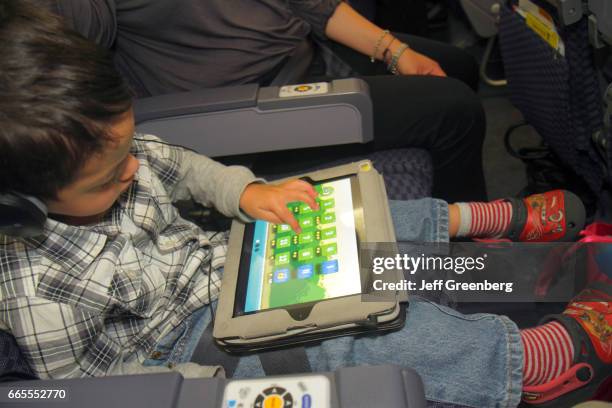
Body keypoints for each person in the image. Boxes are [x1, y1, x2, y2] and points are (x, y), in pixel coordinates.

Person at [1, 3, 610, 407]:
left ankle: (473, 228)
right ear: (21, 206)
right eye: (111, 177)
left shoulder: (116, 153)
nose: (135, 169)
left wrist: (246, 192)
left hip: (225, 261)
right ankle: (526, 364)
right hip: (196, 350)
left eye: (130, 148)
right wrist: (195, 391)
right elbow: (89, 388)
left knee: (351, 221)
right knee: (357, 339)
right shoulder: (38, 287)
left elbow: (182, 165)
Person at [47, 0, 487, 203]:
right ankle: (466, 259)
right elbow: (61, 56)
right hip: (241, 108)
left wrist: (394, 51)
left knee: (457, 66)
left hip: (305, 53)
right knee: (454, 109)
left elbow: (311, 5)